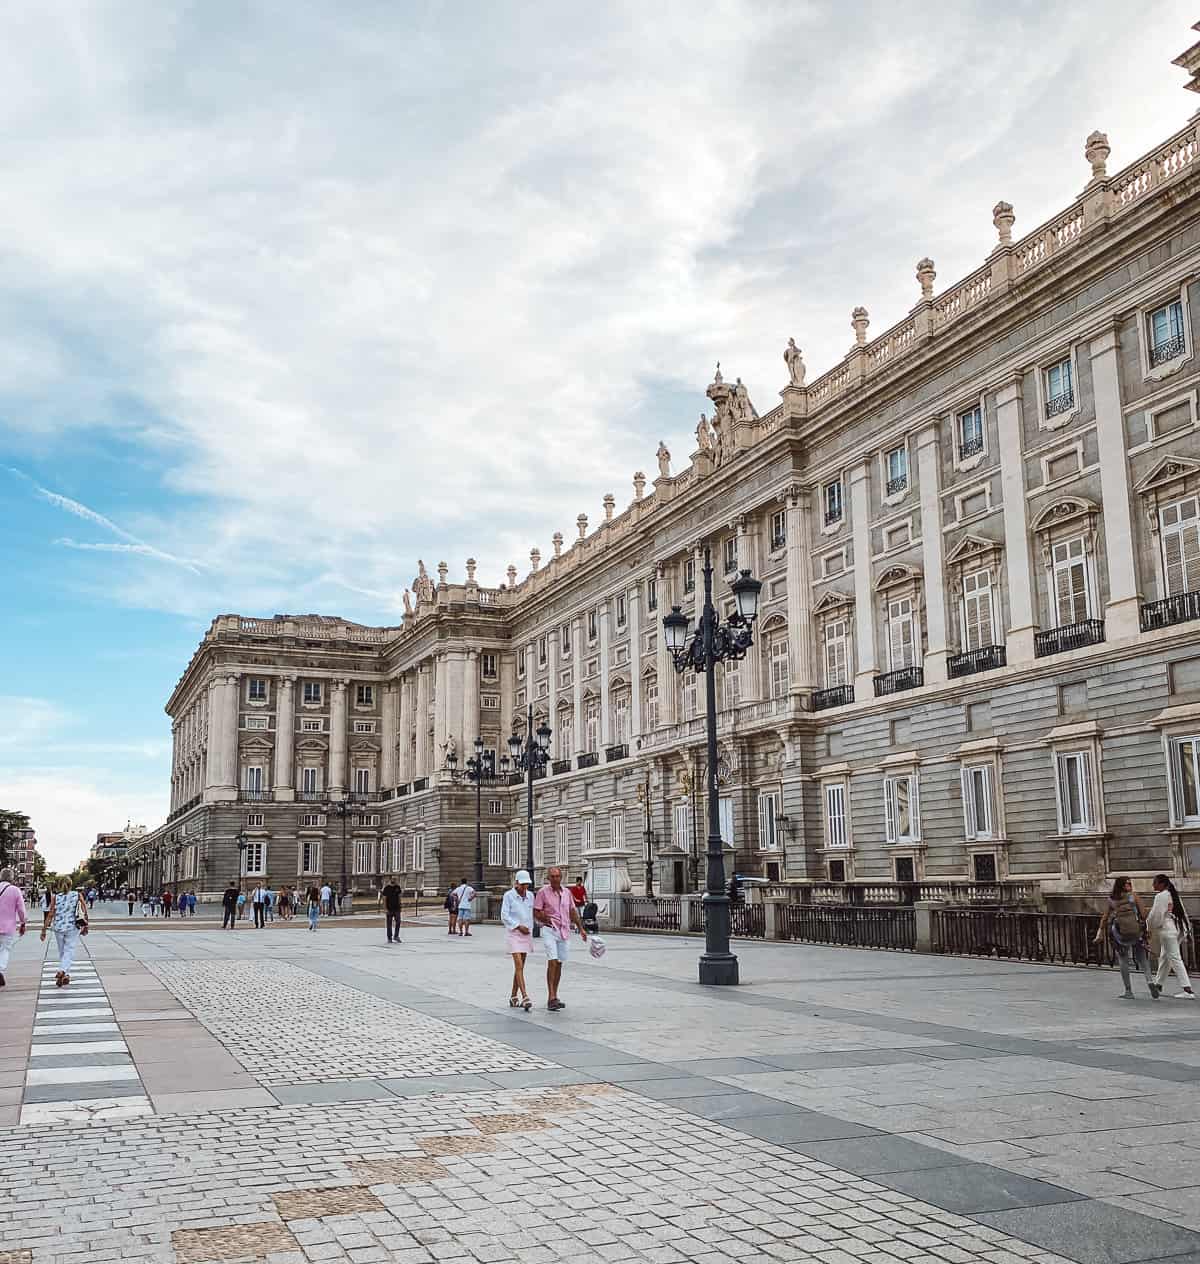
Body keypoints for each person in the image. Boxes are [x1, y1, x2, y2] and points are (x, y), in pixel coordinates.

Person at [533, 866, 587, 1012]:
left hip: (564, 931)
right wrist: (544, 918)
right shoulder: (543, 892)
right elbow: (536, 911)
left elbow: (572, 911)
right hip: (550, 930)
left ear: (561, 877)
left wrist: (581, 928)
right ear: (548, 878)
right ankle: (551, 997)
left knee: (559, 963)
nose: (555, 879)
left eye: (557, 876)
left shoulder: (566, 892)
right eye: (552, 876)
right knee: (552, 961)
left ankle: (555, 994)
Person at [1095, 876, 1158, 1000]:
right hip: (1137, 932)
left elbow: (1105, 917)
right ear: (1123, 885)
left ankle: (1128, 991)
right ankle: (1150, 981)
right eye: (1128, 883)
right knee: (1142, 958)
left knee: (1123, 961)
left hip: (1120, 934)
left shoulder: (1111, 900)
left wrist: (1100, 931)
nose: (1130, 885)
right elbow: (1144, 915)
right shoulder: (1133, 896)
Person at [1149, 873, 1195, 999]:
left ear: (1162, 884)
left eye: (1155, 882)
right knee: (1165, 957)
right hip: (1176, 929)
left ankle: (1187, 989)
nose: (1153, 884)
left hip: (1166, 930)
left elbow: (1156, 916)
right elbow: (1182, 914)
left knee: (1174, 958)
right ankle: (1158, 984)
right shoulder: (1173, 895)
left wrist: (1149, 926)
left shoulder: (1160, 896)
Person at [41, 877, 87, 987]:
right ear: (71, 885)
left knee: (62, 951)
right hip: (73, 927)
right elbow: (84, 911)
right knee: (69, 950)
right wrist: (86, 926)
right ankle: (62, 970)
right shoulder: (77, 895)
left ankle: (66, 975)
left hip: (58, 928)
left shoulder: (55, 897)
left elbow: (50, 914)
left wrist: (44, 930)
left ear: (60, 885)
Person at [502, 870, 535, 1011]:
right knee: (519, 965)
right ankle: (525, 996)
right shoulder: (509, 896)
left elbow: (531, 913)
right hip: (514, 933)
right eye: (522, 884)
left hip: (526, 933)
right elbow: (504, 915)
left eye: (527, 884)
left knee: (520, 967)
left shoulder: (530, 896)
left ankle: (513, 995)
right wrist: (517, 926)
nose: (524, 887)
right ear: (516, 883)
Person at [0, 867, 29, 989]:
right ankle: (0, 969)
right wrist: (23, 923)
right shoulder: (15, 890)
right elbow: (21, 910)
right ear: (12, 878)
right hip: (7, 927)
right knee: (5, 949)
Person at [379, 875, 403, 944]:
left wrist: (400, 905)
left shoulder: (398, 887)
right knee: (389, 924)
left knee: (398, 922)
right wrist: (385, 908)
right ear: (391, 880)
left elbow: (399, 897)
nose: (395, 880)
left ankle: (396, 936)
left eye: (396, 879)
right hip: (389, 909)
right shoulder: (387, 888)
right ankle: (389, 938)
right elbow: (384, 899)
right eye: (393, 879)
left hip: (397, 908)